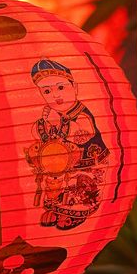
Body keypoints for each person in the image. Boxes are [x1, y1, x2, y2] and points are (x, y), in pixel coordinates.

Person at [24, 59, 111, 230]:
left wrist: (59, 121)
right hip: (63, 166)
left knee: (79, 191)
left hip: (88, 165)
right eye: (47, 91)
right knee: (54, 185)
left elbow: (83, 135)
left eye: (61, 87)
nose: (55, 95)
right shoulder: (52, 114)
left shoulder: (81, 113)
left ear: (75, 87)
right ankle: (56, 210)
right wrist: (45, 124)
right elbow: (41, 134)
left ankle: (73, 215)